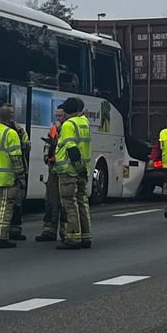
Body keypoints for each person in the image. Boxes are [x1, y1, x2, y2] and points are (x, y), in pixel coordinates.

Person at [0, 111, 26, 249]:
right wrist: (20, 176)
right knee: (5, 208)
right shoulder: (10, 134)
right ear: (10, 119)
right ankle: (1, 238)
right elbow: (16, 158)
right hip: (6, 178)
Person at [54, 97, 92, 250]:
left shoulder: (69, 124)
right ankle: (86, 236)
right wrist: (82, 169)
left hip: (70, 171)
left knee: (70, 203)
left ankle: (73, 237)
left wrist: (76, 167)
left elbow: (72, 149)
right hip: (83, 171)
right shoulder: (84, 122)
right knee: (82, 202)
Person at [0, 103, 30, 242]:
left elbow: (27, 145)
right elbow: (19, 152)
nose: (12, 115)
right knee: (6, 204)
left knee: (15, 203)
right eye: (11, 113)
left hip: (5, 172)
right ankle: (3, 233)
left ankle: (14, 230)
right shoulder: (8, 131)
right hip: (9, 171)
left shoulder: (18, 130)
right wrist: (20, 174)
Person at [36, 107, 65, 242]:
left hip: (65, 170)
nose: (57, 119)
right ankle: (49, 230)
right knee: (50, 201)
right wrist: (47, 158)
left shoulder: (68, 128)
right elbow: (47, 145)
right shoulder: (53, 129)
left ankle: (66, 232)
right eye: (56, 116)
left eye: (60, 116)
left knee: (64, 202)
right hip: (53, 169)